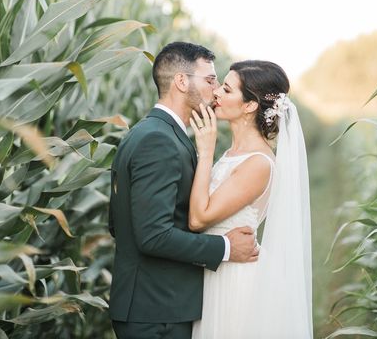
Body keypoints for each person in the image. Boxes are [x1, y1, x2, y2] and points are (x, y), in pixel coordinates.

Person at [108, 42, 259, 339]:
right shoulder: (159, 141)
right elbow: (153, 235)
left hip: (155, 305)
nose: (215, 90)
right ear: (181, 81)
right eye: (210, 80)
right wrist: (226, 248)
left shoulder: (152, 132)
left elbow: (118, 224)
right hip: (156, 312)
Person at [190, 60, 313, 339]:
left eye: (227, 89)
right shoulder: (233, 153)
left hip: (234, 282)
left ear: (249, 106)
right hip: (215, 272)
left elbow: (199, 218)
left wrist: (205, 152)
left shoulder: (258, 163)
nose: (217, 93)